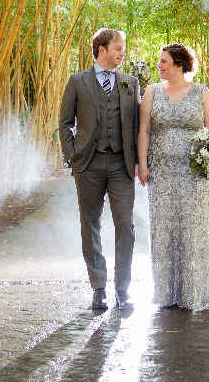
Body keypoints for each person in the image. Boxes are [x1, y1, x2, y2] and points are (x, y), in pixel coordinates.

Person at [59, 27, 141, 310]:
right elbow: (64, 122)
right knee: (90, 225)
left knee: (126, 226)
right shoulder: (77, 81)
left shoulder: (131, 82)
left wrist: (140, 162)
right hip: (88, 165)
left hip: (122, 165)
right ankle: (98, 288)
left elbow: (137, 126)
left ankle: (122, 288)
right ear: (102, 50)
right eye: (119, 48)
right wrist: (72, 155)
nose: (123, 53)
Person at [138, 42, 209, 311]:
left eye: (164, 62)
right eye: (159, 61)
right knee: (163, 228)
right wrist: (142, 164)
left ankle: (194, 292)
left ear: (179, 65)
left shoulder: (202, 94)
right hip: (160, 171)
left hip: (193, 173)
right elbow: (145, 131)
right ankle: (165, 292)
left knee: (192, 227)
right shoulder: (152, 92)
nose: (159, 66)